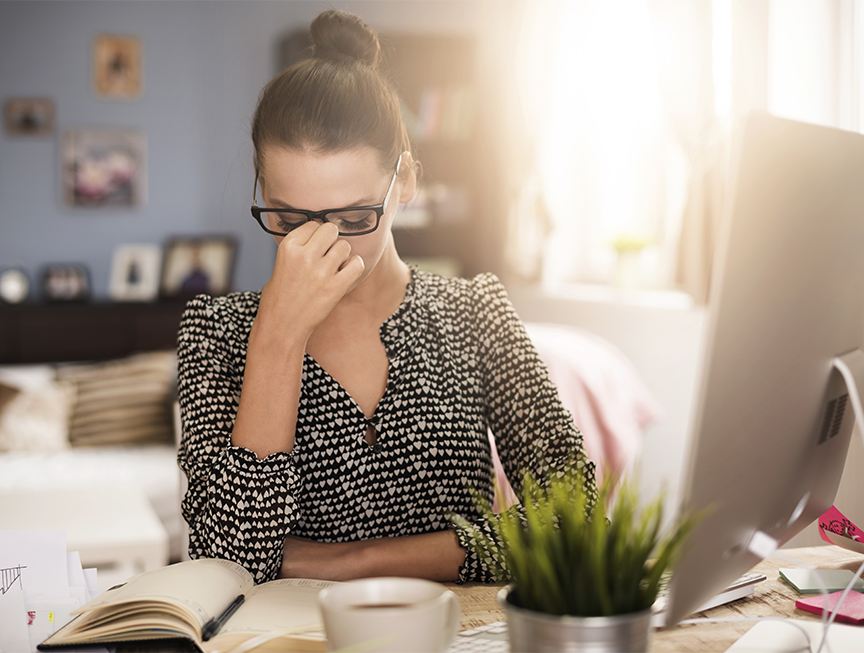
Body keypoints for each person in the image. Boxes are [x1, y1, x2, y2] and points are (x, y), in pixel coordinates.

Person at [177, 9, 595, 585]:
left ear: (405, 183)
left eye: (353, 215)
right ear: (261, 191)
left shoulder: (475, 313)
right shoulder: (217, 330)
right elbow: (227, 561)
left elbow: (574, 516)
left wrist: (353, 561)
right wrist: (277, 337)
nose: (321, 241)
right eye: (289, 216)